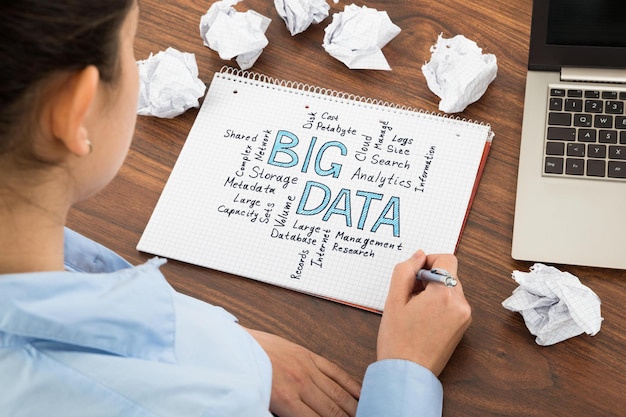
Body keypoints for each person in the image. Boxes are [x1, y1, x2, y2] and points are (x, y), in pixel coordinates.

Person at [0, 1, 472, 416]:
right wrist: (406, 370)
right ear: (74, 111)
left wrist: (225, 344)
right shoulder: (198, 402)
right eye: (130, 47)